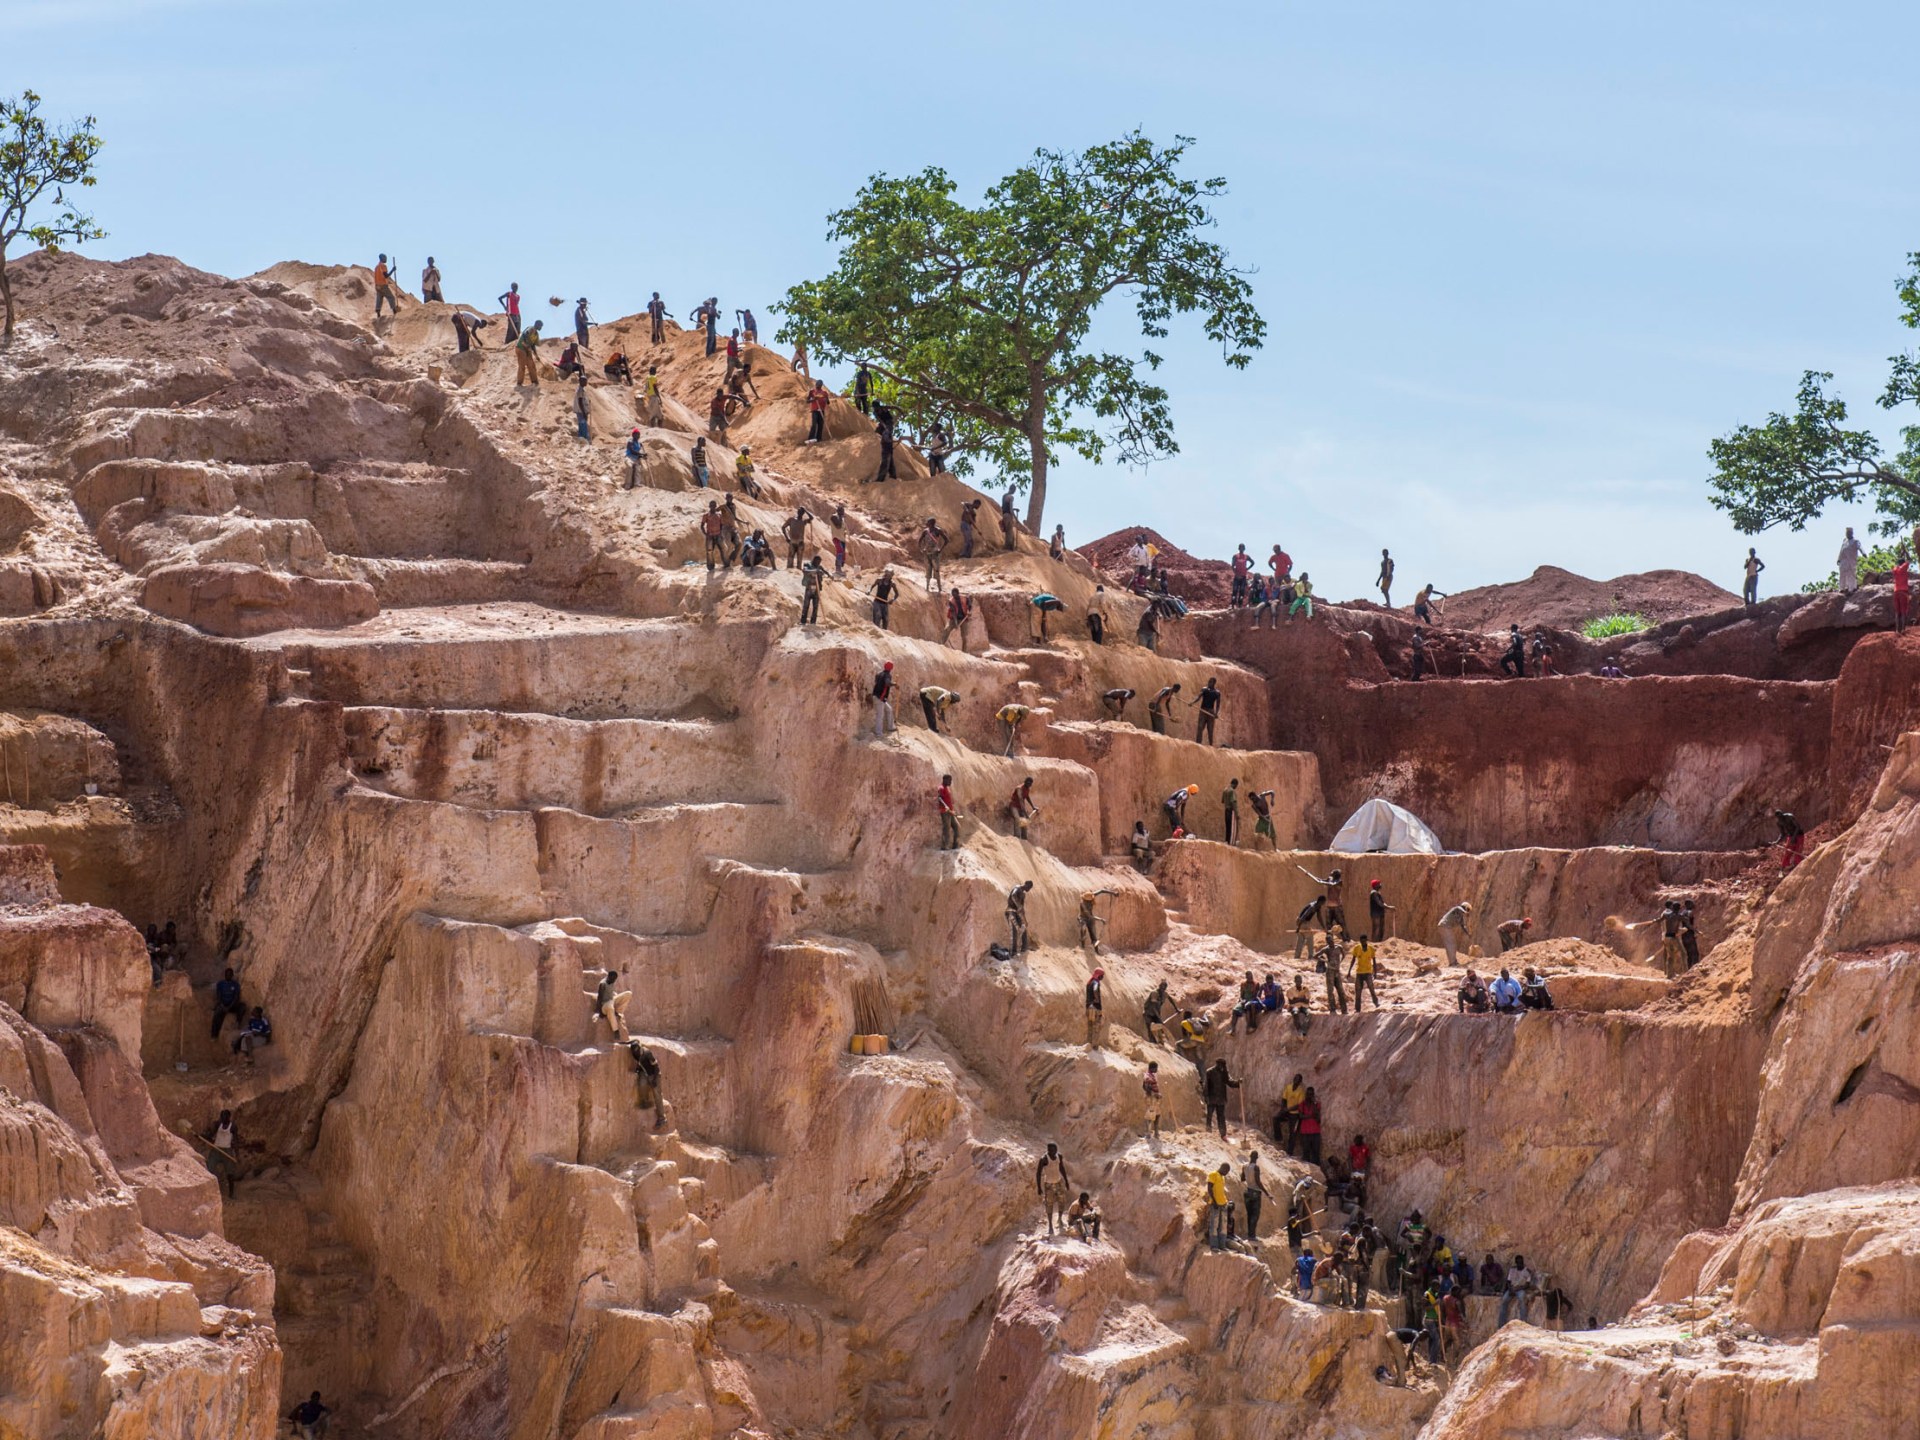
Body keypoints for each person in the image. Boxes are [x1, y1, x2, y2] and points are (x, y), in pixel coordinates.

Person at [1295, 864, 1347, 937]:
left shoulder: (1339, 881)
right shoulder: (1330, 879)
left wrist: (1322, 882)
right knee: (1329, 923)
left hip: (1337, 905)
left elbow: (1331, 884)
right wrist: (1311, 876)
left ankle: (1345, 939)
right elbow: (1321, 880)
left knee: (1341, 923)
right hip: (1329, 906)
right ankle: (1329, 937)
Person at [201, 1108, 241, 1197]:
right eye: (221, 1117)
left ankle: (231, 1193)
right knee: (209, 1169)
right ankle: (206, 1191)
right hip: (216, 1150)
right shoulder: (218, 1124)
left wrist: (237, 1156)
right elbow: (211, 1135)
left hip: (227, 1151)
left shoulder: (233, 1126)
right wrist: (202, 1136)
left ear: (229, 1117)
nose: (222, 1119)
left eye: (224, 1117)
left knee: (230, 1172)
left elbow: (236, 1141)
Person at [629, 1040, 667, 1130]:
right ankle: (644, 1102)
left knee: (657, 1095)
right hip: (645, 1073)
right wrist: (638, 1070)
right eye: (634, 1051)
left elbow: (656, 1066)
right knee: (642, 1085)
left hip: (654, 1074)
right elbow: (639, 1062)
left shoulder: (647, 1053)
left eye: (636, 1051)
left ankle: (662, 1118)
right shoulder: (635, 1052)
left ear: (639, 1048)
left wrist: (654, 1079)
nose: (635, 1053)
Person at [1036, 1142, 1070, 1236]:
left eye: (1054, 1150)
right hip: (1049, 1185)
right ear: (1048, 1150)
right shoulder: (1044, 1159)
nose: (1053, 1152)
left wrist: (1066, 1181)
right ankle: (1050, 1225)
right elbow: (1038, 1173)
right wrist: (1039, 1187)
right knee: (1049, 1205)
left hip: (1059, 1182)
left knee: (1062, 1201)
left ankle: (1059, 1219)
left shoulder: (1059, 1156)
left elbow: (1061, 1168)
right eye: (1051, 1150)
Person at [1202, 1058, 1240, 1140]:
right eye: (1221, 1065)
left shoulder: (1224, 1072)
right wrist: (1206, 1097)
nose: (1222, 1067)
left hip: (1221, 1098)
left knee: (1221, 1117)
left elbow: (1229, 1082)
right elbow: (1206, 1086)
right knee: (1209, 1115)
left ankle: (1223, 1134)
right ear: (1217, 1064)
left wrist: (1237, 1083)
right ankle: (1208, 1131)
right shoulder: (1210, 1072)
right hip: (1212, 1098)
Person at [593, 968, 631, 1039]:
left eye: (615, 979)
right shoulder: (602, 984)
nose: (613, 981)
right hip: (605, 1005)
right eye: (612, 979)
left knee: (628, 994)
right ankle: (615, 1030)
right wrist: (599, 1011)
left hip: (611, 1001)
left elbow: (611, 994)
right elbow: (599, 998)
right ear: (608, 976)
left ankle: (618, 1011)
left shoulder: (612, 982)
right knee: (610, 1007)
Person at [1498, 1255, 1535, 1327]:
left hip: (1520, 1289)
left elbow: (1527, 1284)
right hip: (1512, 1288)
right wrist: (1510, 1289)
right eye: (1518, 1262)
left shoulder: (1527, 1271)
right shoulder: (1512, 1270)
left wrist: (1517, 1289)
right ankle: (1501, 1324)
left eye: (1521, 1262)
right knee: (1504, 1301)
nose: (1520, 1264)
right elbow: (1508, 1281)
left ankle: (1523, 1322)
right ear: (1516, 1263)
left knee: (1522, 1300)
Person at [210, 966, 246, 1038]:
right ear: (225, 975)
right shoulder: (220, 984)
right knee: (216, 1015)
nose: (228, 976)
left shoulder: (236, 985)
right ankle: (214, 1034)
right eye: (226, 974)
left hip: (232, 1005)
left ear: (232, 975)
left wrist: (229, 1007)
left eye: (229, 974)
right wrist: (223, 1006)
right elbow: (219, 996)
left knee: (242, 1006)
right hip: (223, 1004)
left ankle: (238, 1023)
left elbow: (236, 997)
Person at [1274, 1073, 1306, 1153]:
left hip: (1295, 1114)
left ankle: (1289, 1152)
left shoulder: (1301, 1091)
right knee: (1276, 1118)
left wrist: (1287, 1109)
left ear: (1300, 1082)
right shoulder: (1288, 1087)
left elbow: (1299, 1105)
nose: (1295, 1081)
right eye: (1295, 1078)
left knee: (1293, 1133)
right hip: (1287, 1111)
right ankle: (1279, 1138)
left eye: (1298, 1080)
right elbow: (1284, 1099)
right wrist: (1283, 1108)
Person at [1321, 930, 1350, 1014]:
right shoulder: (1326, 949)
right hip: (1330, 971)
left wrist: (1340, 962)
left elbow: (1344, 954)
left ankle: (1344, 1009)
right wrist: (1325, 960)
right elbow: (1316, 955)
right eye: (1328, 941)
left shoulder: (1338, 947)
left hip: (1337, 971)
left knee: (1340, 990)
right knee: (1330, 991)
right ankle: (1332, 1009)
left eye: (1331, 940)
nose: (1330, 942)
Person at [1436, 900, 1472, 966]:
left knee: (1451, 944)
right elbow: (1459, 908)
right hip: (1445, 926)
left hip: (1445, 926)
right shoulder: (1457, 909)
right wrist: (1466, 912)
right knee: (1451, 944)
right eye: (1468, 909)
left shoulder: (1460, 916)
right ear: (1466, 907)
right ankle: (1453, 962)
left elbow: (1463, 926)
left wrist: (1468, 934)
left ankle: (1453, 961)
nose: (1467, 912)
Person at [1350, 936, 1381, 1010]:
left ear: (1366, 941)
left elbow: (1374, 961)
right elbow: (1353, 960)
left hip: (1368, 972)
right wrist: (1349, 971)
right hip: (1359, 972)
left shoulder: (1371, 949)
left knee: (1371, 988)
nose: (1363, 942)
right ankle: (1357, 1009)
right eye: (1361, 941)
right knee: (1358, 991)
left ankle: (1376, 1003)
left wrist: (1375, 972)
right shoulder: (1357, 948)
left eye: (1364, 941)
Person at [1190, 678, 1223, 746]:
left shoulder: (1217, 692)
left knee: (1210, 729)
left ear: (1214, 683)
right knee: (1200, 727)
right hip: (1203, 710)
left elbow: (1218, 704)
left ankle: (1211, 745)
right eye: (1208, 681)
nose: (1208, 683)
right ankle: (1198, 744)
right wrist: (1192, 703)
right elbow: (1199, 697)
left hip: (1211, 712)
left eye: (1210, 682)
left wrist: (1216, 713)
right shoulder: (1204, 689)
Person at [1297, 1086, 1323, 1166]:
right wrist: (1311, 1116)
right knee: (1306, 1151)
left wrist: (1314, 1105)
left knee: (1316, 1152)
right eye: (1308, 1094)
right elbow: (1300, 1116)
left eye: (1311, 1094)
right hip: (1305, 1132)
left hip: (1315, 1132)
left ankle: (1317, 1170)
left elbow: (1318, 1118)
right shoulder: (1302, 1104)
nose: (1309, 1096)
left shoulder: (1317, 1104)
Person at [919, 519, 949, 590]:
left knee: (936, 570)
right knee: (928, 570)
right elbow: (920, 541)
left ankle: (939, 588)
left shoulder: (938, 530)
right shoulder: (925, 531)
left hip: (935, 553)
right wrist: (922, 549)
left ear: (932, 523)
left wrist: (940, 550)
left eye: (928, 522)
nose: (926, 523)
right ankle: (927, 587)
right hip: (927, 553)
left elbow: (946, 540)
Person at [514, 320, 545, 386]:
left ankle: (534, 382)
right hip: (521, 347)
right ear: (537, 324)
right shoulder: (531, 329)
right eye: (541, 326)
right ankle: (519, 383)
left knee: (531, 365)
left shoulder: (536, 334)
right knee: (522, 366)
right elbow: (525, 334)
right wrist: (527, 345)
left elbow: (533, 345)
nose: (541, 328)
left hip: (527, 350)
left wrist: (536, 355)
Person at [1007, 880, 1034, 954]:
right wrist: (1018, 906)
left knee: (1024, 929)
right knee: (1014, 932)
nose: (1029, 889)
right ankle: (1013, 952)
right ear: (1026, 884)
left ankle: (1024, 949)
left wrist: (1024, 920)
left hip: (1017, 913)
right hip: (1011, 911)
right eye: (1029, 887)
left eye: (1030, 888)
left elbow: (1022, 908)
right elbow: (1013, 895)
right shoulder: (1017, 888)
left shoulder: (1023, 894)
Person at [935, 773, 961, 850]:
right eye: (949, 780)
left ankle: (955, 845)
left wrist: (952, 809)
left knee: (957, 826)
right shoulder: (941, 788)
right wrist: (946, 806)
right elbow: (939, 798)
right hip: (945, 812)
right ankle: (944, 846)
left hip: (950, 812)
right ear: (945, 780)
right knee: (946, 828)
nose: (950, 782)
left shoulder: (947, 788)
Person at [870, 662, 896, 737]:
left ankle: (891, 727)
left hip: (877, 696)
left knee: (889, 709)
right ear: (891, 668)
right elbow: (887, 683)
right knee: (880, 715)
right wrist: (894, 684)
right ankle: (878, 733)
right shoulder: (887, 675)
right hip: (880, 698)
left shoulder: (879, 674)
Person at [1142, 979, 1172, 1044]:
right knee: (1150, 1027)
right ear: (1159, 986)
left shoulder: (1164, 994)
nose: (1162, 989)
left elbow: (1170, 998)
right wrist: (1159, 1017)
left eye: (1164, 988)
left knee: (1159, 1027)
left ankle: (1161, 1041)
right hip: (1148, 1012)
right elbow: (1153, 1007)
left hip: (1156, 1014)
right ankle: (1152, 1042)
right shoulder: (1154, 993)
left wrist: (1176, 1008)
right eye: (1162, 987)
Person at [699, 501, 726, 571]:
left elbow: (722, 525)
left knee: (723, 549)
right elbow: (702, 526)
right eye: (711, 505)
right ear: (709, 506)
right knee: (709, 551)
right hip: (710, 536)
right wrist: (705, 534)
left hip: (718, 535)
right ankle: (710, 567)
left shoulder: (719, 515)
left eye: (714, 505)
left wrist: (721, 533)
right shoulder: (706, 515)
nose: (713, 507)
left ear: (716, 506)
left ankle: (726, 564)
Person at [373, 253, 401, 318]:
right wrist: (393, 270)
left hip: (377, 285)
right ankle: (394, 311)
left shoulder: (376, 267)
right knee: (391, 297)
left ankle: (378, 312)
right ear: (381, 258)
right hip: (383, 284)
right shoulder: (383, 266)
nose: (386, 259)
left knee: (379, 298)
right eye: (385, 258)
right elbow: (386, 276)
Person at [1141, 1059, 1165, 1136]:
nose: (1157, 1070)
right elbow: (1147, 1088)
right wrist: (1156, 1094)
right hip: (1151, 1099)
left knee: (1157, 1114)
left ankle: (1156, 1132)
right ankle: (1148, 1133)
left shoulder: (1151, 1075)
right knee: (1150, 1115)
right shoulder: (1147, 1076)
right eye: (1156, 1068)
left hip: (1154, 1099)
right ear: (1152, 1068)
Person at [1083, 966, 1106, 1046]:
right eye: (1102, 975)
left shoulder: (1089, 982)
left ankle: (1089, 1044)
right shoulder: (1096, 982)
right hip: (1095, 1008)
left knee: (1090, 1027)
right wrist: (1096, 999)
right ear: (1099, 975)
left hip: (1089, 1007)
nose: (1102, 977)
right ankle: (1094, 1046)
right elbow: (1095, 989)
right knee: (1096, 1027)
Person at [1839, 526, 1862, 594]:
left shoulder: (1855, 541)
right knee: (1842, 575)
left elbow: (1860, 547)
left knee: (1851, 574)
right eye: (1847, 533)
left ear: (1852, 533)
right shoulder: (1844, 541)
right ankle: (1842, 588)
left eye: (1849, 532)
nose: (1847, 534)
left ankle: (1851, 589)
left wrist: (1863, 553)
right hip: (1843, 561)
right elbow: (1841, 550)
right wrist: (1838, 559)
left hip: (1851, 561)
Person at [1681, 899, 1702, 970]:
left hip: (1683, 935)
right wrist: (1696, 931)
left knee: (1689, 955)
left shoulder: (1682, 913)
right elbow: (1688, 924)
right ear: (1689, 905)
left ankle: (1689, 969)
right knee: (1695, 953)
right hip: (1689, 934)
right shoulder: (1689, 912)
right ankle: (1695, 970)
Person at [1895, 550, 1912, 635]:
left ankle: (1897, 630)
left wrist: (1901, 554)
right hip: (1903, 592)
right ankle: (1903, 630)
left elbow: (1897, 563)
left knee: (1898, 612)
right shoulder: (1904, 567)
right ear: (1903, 563)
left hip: (1896, 592)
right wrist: (1906, 552)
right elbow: (1909, 559)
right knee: (1904, 611)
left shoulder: (1895, 569)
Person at [1220, 778, 1240, 844]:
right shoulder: (1232, 791)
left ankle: (1227, 840)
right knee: (1232, 827)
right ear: (1235, 784)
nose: (1236, 787)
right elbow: (1233, 802)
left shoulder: (1225, 790)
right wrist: (1237, 814)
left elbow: (1222, 801)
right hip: (1231, 811)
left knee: (1227, 826)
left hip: (1226, 810)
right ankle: (1231, 842)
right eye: (1236, 786)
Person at [573, 374, 591, 441]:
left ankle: (581, 440)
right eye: (585, 381)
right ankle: (584, 440)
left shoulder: (581, 389)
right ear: (581, 381)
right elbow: (580, 402)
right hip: (581, 412)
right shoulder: (580, 390)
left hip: (581, 412)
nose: (586, 382)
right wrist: (584, 413)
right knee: (583, 426)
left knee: (582, 426)